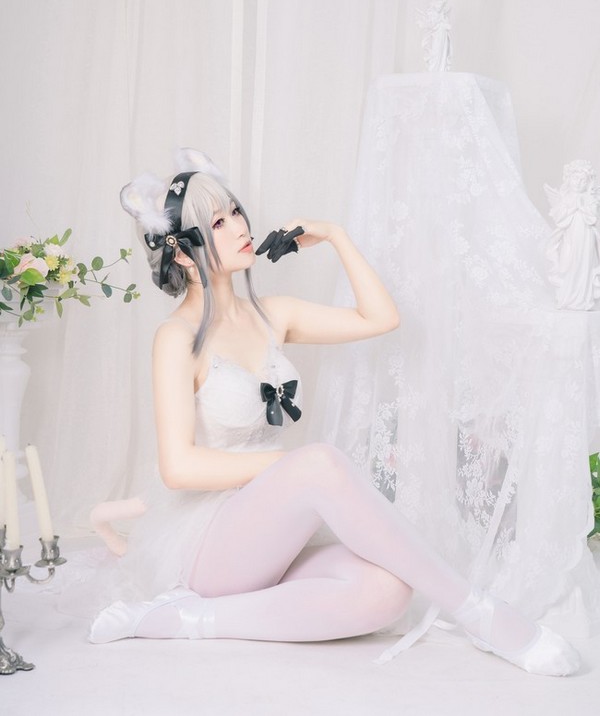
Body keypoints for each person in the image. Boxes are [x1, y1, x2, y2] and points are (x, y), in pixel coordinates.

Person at [89, 148, 580, 676]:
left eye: (234, 211)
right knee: (319, 461)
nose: (239, 226)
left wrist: (335, 237)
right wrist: (286, 466)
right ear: (184, 255)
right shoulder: (176, 337)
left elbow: (380, 318)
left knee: (387, 592)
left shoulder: (271, 316)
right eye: (218, 223)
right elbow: (178, 468)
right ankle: (478, 612)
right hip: (211, 542)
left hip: (268, 529)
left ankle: (185, 619)